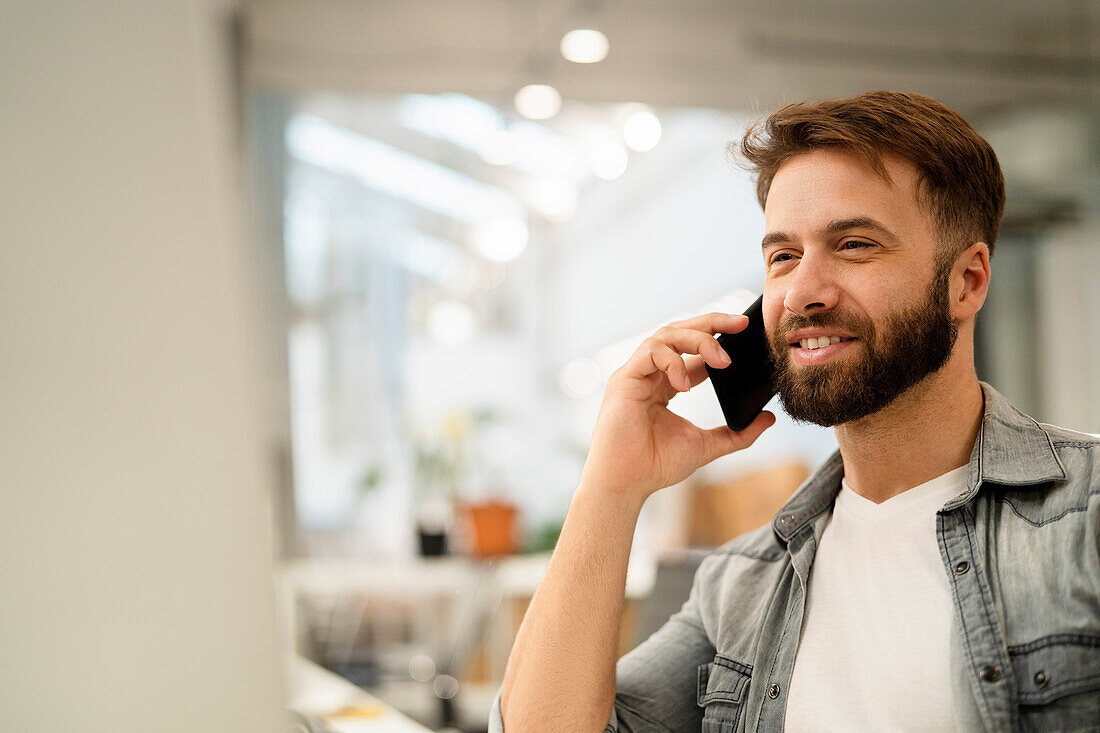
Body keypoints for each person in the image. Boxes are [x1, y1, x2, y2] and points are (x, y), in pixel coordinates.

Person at [490, 91, 1100, 732]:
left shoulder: (1083, 520)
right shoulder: (742, 586)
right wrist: (611, 487)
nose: (802, 292)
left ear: (967, 281)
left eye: (855, 244)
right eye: (783, 256)